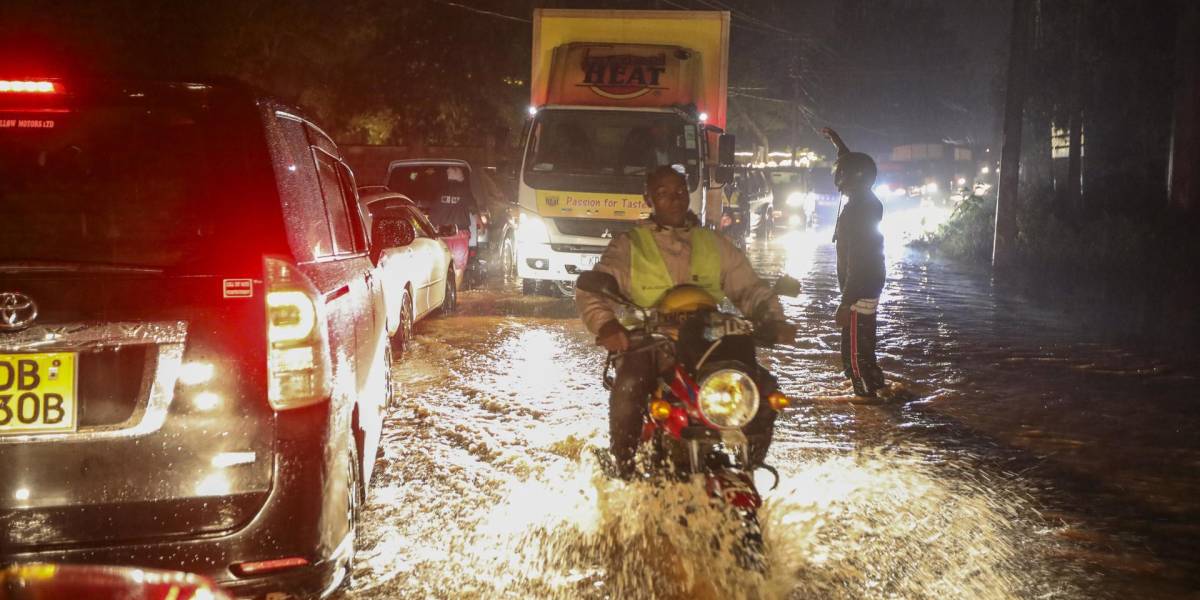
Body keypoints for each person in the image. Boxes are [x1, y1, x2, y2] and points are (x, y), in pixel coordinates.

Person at [576, 166, 797, 478]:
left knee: (764, 389)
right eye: (664, 193)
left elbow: (749, 287)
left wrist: (773, 319)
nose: (674, 200)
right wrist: (607, 325)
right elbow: (591, 289)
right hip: (650, 341)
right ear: (649, 198)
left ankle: (751, 463)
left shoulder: (714, 243)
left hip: (708, 340)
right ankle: (623, 466)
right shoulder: (630, 245)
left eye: (680, 191)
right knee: (628, 386)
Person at [822, 127, 888, 399]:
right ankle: (876, 384)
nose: (838, 179)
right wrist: (839, 143)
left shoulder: (855, 213)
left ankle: (865, 397)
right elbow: (856, 166)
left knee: (854, 352)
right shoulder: (867, 201)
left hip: (858, 288)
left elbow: (857, 261)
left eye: (842, 175)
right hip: (869, 285)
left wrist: (845, 302)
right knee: (864, 342)